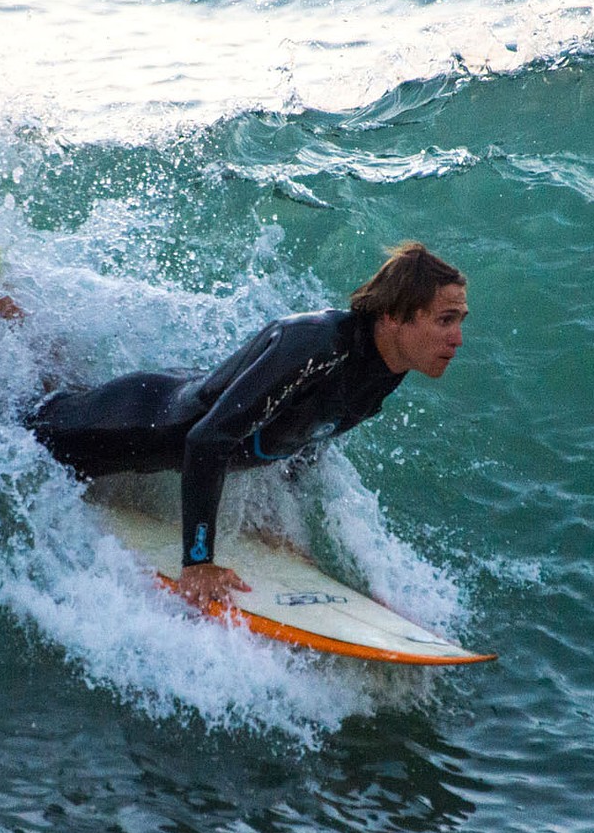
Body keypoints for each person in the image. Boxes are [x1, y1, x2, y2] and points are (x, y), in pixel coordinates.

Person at [25, 241, 469, 608]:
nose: (457, 338)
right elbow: (206, 440)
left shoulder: (385, 372)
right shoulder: (315, 345)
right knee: (23, 424)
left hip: (161, 418)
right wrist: (197, 561)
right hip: (130, 426)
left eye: (460, 321)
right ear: (393, 316)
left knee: (51, 387)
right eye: (445, 320)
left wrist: (279, 527)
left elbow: (310, 437)